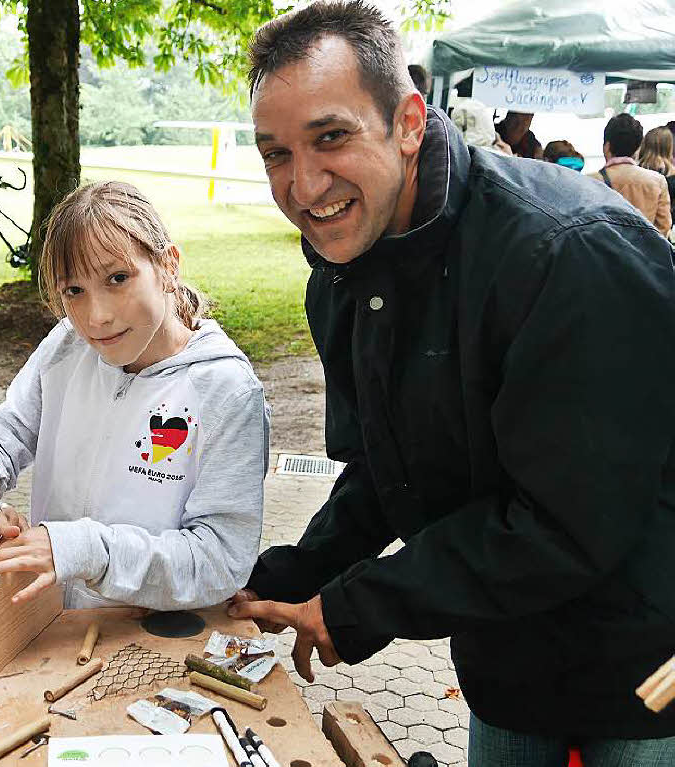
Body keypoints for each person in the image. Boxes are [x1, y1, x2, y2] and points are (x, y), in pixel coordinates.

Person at [228, 1, 675, 764]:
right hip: (504, 652)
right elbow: (382, 465)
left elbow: (565, 522)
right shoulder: (341, 272)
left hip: (639, 665)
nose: (302, 185)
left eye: (331, 137)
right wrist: (288, 577)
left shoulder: (567, 255)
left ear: (408, 121)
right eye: (275, 153)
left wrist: (357, 607)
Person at [0, 181, 268, 611]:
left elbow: (219, 560)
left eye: (118, 278)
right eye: (74, 291)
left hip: (155, 644)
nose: (97, 317)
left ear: (168, 266)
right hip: (53, 631)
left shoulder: (227, 391)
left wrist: (88, 550)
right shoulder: (67, 346)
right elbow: (2, 434)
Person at [591, 113, 671, 234]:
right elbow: (663, 227)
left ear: (607, 147)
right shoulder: (657, 181)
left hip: (603, 252)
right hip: (644, 251)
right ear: (638, 147)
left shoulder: (591, 182)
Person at [638, 125, 675, 229]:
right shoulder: (672, 175)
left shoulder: (635, 172)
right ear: (669, 147)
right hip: (663, 236)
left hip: (636, 233)